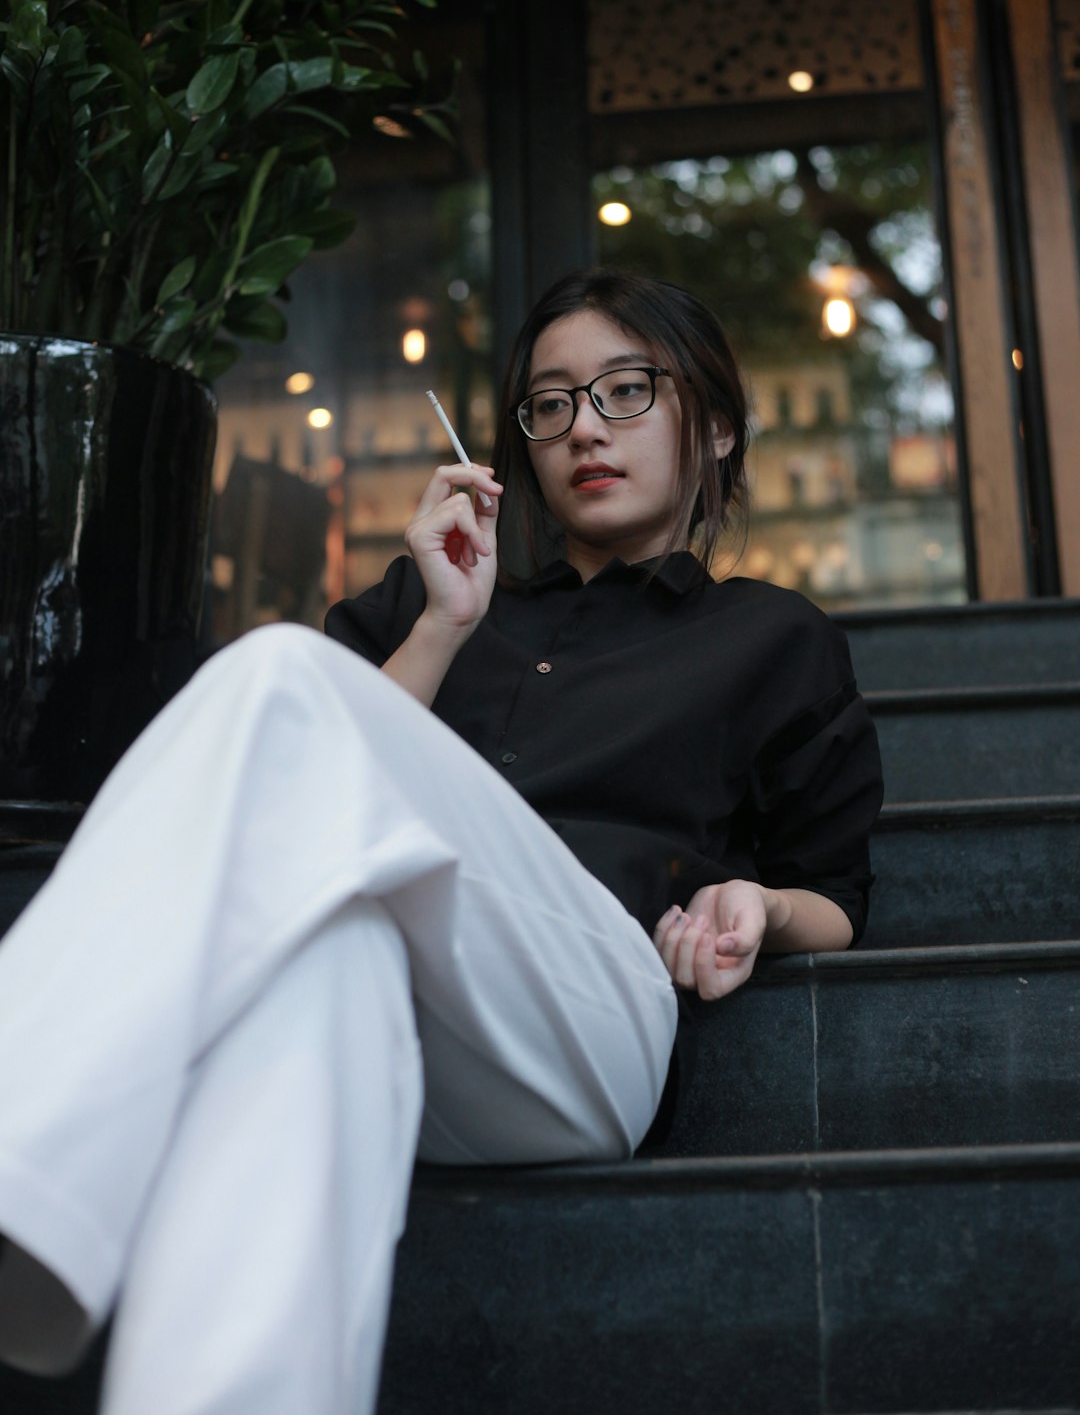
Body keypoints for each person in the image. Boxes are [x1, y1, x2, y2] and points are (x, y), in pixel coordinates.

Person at [0, 266, 882, 1415]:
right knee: (325, 965)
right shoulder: (428, 605)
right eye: (550, 403)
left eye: (625, 392)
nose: (582, 429)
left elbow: (836, 894)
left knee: (272, 674)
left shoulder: (772, 636)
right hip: (408, 993)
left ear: (714, 425)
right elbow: (313, 796)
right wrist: (440, 631)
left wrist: (758, 906)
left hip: (585, 1007)